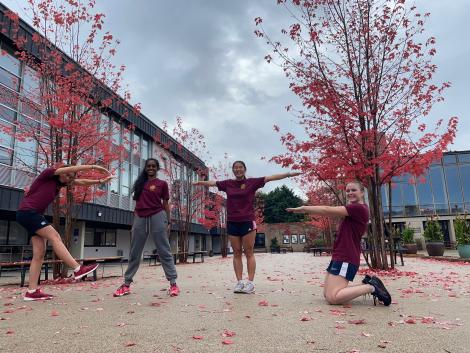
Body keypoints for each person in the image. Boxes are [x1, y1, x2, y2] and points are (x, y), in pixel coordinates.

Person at [193, 160, 301, 294]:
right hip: (232, 222)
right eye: (235, 168)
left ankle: (250, 283)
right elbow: (213, 183)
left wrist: (289, 174)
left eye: (240, 167)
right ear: (233, 170)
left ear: (244, 169)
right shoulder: (228, 184)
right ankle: (239, 282)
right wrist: (200, 183)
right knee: (236, 253)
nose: (238, 169)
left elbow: (271, 178)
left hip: (247, 221)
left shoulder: (252, 182)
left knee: (249, 252)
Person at [17, 164, 112, 301]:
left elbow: (81, 182)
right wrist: (94, 167)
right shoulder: (48, 174)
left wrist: (99, 182)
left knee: (39, 254)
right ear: (61, 172)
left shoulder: (60, 184)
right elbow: (68, 170)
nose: (68, 178)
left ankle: (31, 291)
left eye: (70, 178)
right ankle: (77, 268)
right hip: (28, 213)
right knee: (55, 236)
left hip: (30, 215)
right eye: (67, 175)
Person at [287, 181, 391, 306]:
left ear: (362, 193)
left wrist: (304, 208)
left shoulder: (358, 208)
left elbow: (327, 210)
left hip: (346, 257)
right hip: (340, 255)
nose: (350, 193)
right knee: (327, 294)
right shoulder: (355, 209)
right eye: (347, 191)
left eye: (353, 190)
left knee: (333, 298)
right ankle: (369, 284)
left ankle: (371, 287)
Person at [113, 158, 179, 297]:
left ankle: (173, 283)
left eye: (153, 166)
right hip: (140, 217)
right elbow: (137, 205)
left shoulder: (162, 184)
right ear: (145, 168)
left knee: (164, 249)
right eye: (148, 166)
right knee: (135, 251)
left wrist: (168, 221)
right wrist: (134, 223)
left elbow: (166, 203)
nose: (151, 168)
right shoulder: (139, 183)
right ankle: (126, 284)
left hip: (158, 215)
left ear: (157, 168)